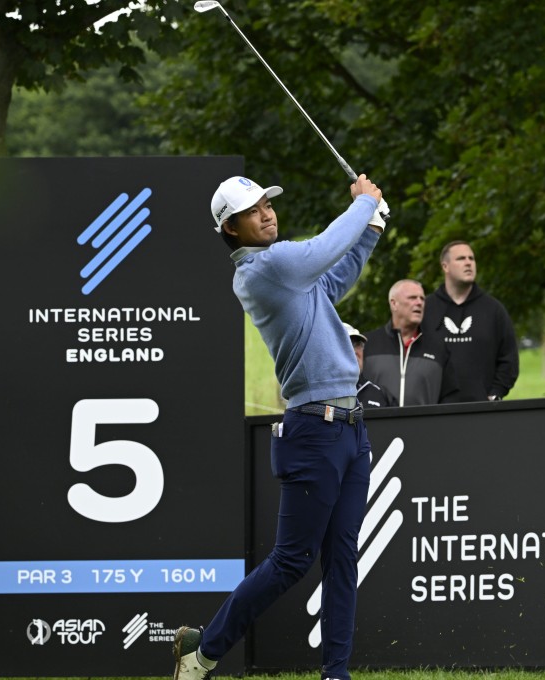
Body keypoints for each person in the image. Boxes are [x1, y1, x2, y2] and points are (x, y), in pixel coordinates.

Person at [173, 174, 387, 680]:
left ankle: (336, 674)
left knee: (342, 559)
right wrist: (363, 206)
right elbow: (323, 249)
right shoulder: (263, 267)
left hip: (351, 429)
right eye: (253, 211)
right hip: (315, 431)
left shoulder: (289, 275)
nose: (267, 213)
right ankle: (202, 653)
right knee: (292, 560)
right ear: (231, 228)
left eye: (267, 204)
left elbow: (333, 281)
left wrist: (371, 230)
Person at [423, 240, 519, 402]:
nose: (468, 263)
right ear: (445, 266)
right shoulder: (426, 309)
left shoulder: (493, 309)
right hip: (435, 409)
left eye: (471, 258)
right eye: (461, 258)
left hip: (482, 408)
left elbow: (509, 358)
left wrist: (496, 393)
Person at [362, 279, 458, 406]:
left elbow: (450, 398)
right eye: (412, 298)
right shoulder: (367, 344)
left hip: (423, 419)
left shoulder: (438, 349)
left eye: (422, 299)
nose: (419, 303)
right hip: (375, 419)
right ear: (394, 304)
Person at [344, 322, 396, 408]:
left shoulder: (381, 394)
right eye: (347, 344)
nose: (355, 351)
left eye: (358, 345)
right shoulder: (322, 394)